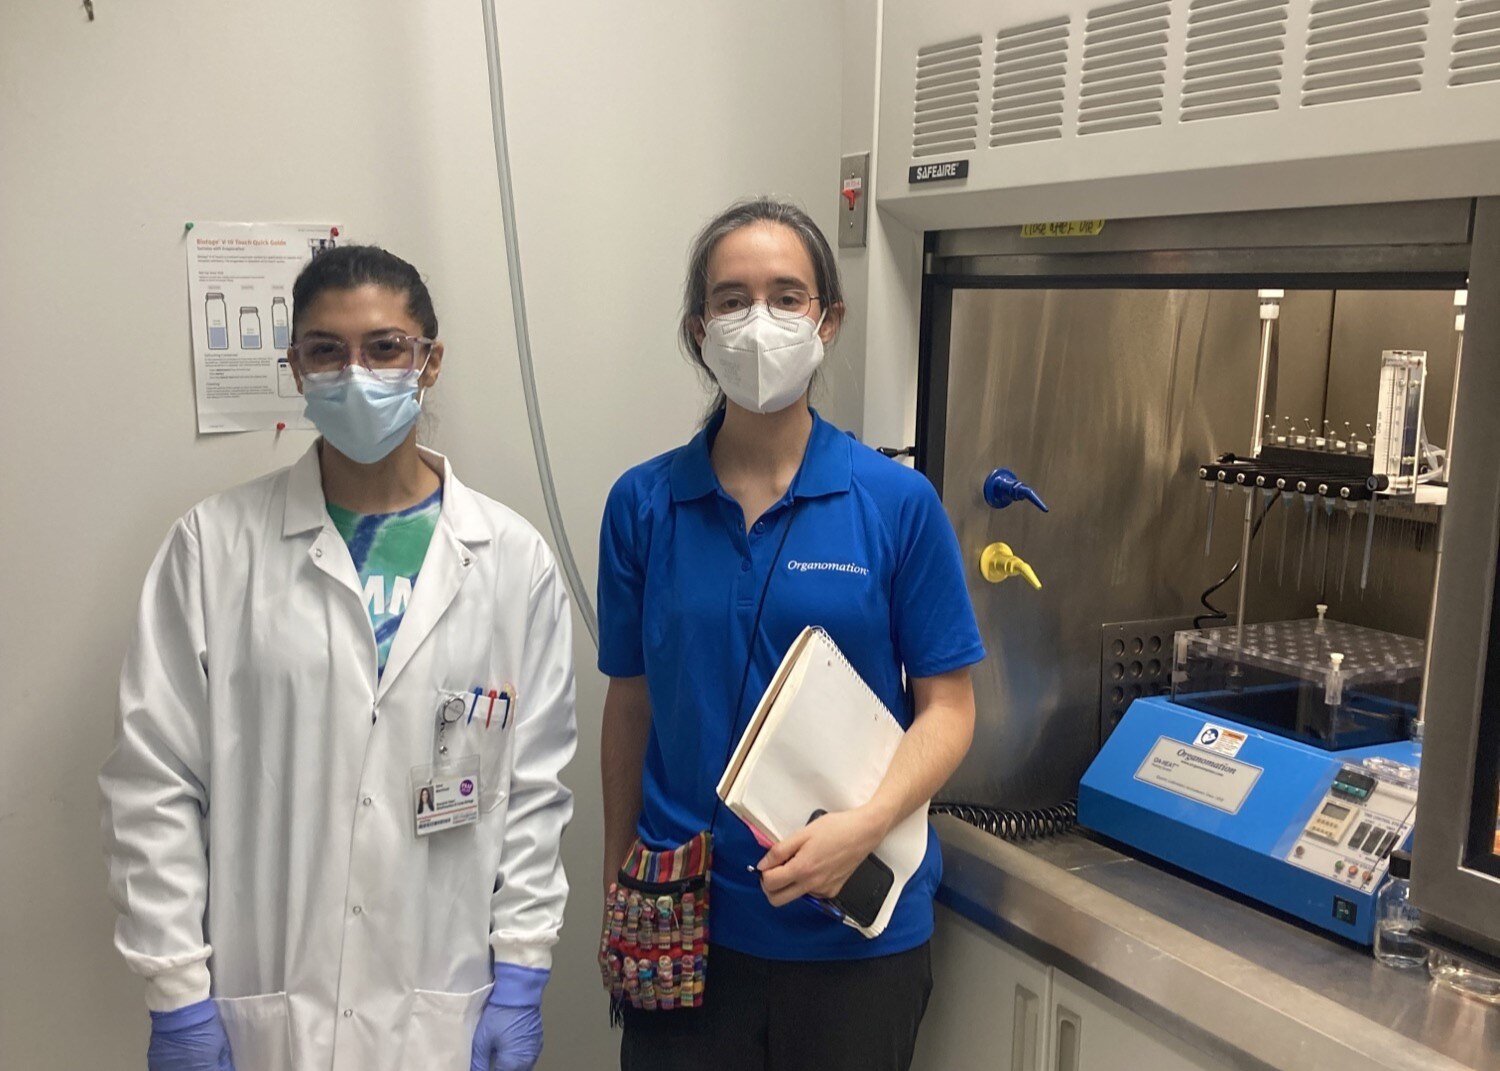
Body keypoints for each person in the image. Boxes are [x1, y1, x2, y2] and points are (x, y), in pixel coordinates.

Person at [100, 246, 577, 1071]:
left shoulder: (511, 558)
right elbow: (155, 783)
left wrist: (523, 970)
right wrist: (176, 990)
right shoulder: (214, 547)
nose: (357, 372)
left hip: (441, 1000)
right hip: (268, 1000)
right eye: (328, 350)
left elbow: (533, 788)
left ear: (431, 361)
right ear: (296, 367)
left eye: (386, 346)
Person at [597, 199, 984, 1071]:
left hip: (851, 933)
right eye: (731, 300)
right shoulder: (642, 505)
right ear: (699, 330)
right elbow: (630, 709)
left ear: (828, 319)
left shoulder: (894, 504)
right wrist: (617, 885)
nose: (757, 321)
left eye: (786, 295)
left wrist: (868, 821)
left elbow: (949, 708)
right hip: (684, 921)